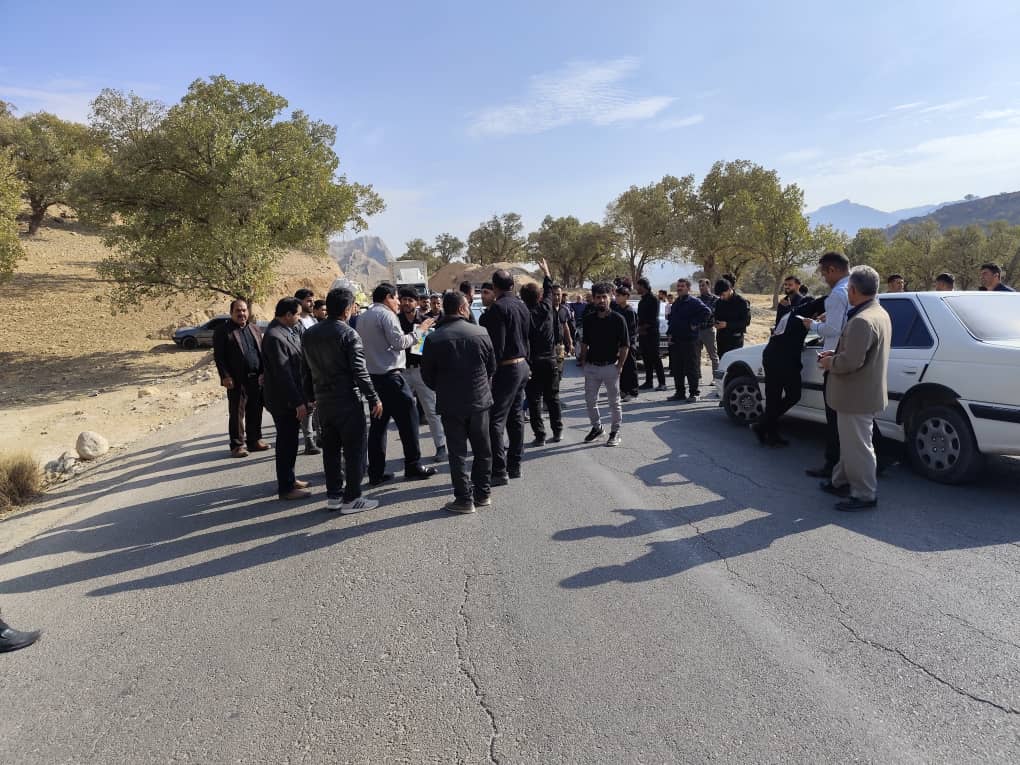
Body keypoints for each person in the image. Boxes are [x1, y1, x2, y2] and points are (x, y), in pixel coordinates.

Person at [818, 266, 891, 511]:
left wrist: (829, 362)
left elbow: (851, 362)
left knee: (858, 447)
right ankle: (840, 481)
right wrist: (836, 353)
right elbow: (860, 352)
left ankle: (864, 494)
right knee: (851, 443)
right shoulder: (878, 312)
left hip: (855, 396)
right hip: (863, 393)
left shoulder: (862, 320)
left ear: (853, 290)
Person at [302, 287, 382, 513]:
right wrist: (373, 397)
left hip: (323, 401)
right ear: (347, 309)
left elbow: (304, 370)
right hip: (347, 399)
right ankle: (353, 498)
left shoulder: (310, 334)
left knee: (331, 450)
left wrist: (309, 397)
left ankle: (334, 495)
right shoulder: (348, 334)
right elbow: (359, 370)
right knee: (355, 450)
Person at [421, 291, 496, 514]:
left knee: (457, 453)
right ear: (463, 308)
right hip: (479, 401)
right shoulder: (481, 332)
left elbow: (427, 375)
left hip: (451, 403)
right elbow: (491, 367)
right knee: (482, 450)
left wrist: (443, 388)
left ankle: (464, 499)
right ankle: (483, 493)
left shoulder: (433, 338)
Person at [357, 282, 438, 486]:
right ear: (387, 297)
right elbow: (399, 343)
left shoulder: (363, 317)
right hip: (391, 376)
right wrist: (420, 331)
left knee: (378, 427)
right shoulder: (387, 315)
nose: (399, 303)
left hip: (374, 377)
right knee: (409, 421)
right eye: (396, 298)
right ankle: (413, 465)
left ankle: (376, 472)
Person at [480, 269, 532, 484]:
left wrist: (489, 374)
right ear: (513, 285)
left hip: (507, 368)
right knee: (516, 417)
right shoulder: (522, 305)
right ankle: (515, 466)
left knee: (495, 421)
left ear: (494, 287)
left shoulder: (498, 308)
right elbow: (527, 338)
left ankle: (499, 470)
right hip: (522, 365)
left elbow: (496, 347)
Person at [752, 296, 826, 446]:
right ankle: (763, 425)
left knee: (773, 399)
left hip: (773, 355)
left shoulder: (793, 312)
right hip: (783, 359)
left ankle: (767, 431)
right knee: (793, 395)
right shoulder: (802, 318)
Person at [803, 251, 851, 477]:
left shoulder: (837, 294)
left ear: (832, 269)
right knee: (854, 416)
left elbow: (833, 330)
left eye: (824, 273)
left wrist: (812, 325)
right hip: (852, 357)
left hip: (836, 360)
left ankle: (832, 465)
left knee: (834, 416)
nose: (823, 278)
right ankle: (877, 458)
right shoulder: (857, 289)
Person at [261, 297, 312, 500]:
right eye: (297, 314)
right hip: (284, 401)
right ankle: (286, 488)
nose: (299, 318)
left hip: (289, 397)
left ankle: (290, 478)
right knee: (286, 443)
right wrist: (297, 402)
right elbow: (283, 375)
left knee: (290, 442)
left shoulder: (285, 331)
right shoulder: (274, 336)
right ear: (288, 315)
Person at [396, 287, 447, 462]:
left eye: (410, 300)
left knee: (431, 411)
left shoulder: (426, 321)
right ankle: (411, 452)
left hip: (421, 370)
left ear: (416, 302)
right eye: (403, 299)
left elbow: (433, 348)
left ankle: (441, 446)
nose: (406, 303)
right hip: (402, 371)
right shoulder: (395, 321)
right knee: (404, 413)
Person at [212, 299, 268, 458]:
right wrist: (225, 376)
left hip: (256, 378)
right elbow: (219, 357)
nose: (241, 313)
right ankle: (237, 446)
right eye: (238, 310)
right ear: (231, 313)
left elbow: (261, 352)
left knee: (255, 410)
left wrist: (264, 372)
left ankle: (254, 441)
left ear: (248, 312)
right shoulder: (223, 331)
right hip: (236, 380)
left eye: (244, 310)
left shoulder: (254, 328)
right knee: (237, 413)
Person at [578, 282, 630, 447]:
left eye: (604, 297)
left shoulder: (618, 319)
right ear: (593, 299)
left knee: (614, 403)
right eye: (598, 297)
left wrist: (619, 366)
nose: (601, 300)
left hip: (610, 367)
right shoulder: (589, 319)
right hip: (592, 367)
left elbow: (625, 345)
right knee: (590, 401)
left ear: (610, 297)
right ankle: (597, 428)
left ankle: (615, 432)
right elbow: (585, 343)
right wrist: (583, 362)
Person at [521, 259, 563, 445]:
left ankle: (540, 436)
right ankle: (558, 431)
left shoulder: (523, 314)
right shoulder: (546, 308)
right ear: (539, 297)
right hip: (550, 360)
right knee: (553, 398)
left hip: (531, 362)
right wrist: (547, 273)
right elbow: (548, 291)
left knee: (534, 400)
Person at [666, 278, 712, 402]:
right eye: (678, 286)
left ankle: (694, 393)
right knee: (677, 368)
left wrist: (695, 324)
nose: (679, 288)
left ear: (688, 288)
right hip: (676, 340)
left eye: (682, 286)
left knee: (691, 367)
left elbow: (707, 312)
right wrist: (670, 334)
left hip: (690, 340)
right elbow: (673, 320)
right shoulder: (676, 302)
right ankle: (680, 393)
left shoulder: (694, 302)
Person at [292, 289, 321, 456]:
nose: (312, 304)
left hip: (317, 367)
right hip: (304, 368)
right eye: (308, 301)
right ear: (299, 301)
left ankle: (320, 436)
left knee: (318, 404)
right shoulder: (297, 323)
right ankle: (309, 441)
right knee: (308, 406)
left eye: (312, 300)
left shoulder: (313, 319)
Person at [636, 277, 667, 391]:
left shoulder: (653, 299)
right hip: (642, 334)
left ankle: (662, 383)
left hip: (652, 333)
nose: (637, 288)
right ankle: (649, 382)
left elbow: (653, 318)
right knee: (646, 358)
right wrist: (639, 329)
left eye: (638, 286)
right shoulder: (642, 301)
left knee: (655, 358)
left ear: (643, 286)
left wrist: (643, 328)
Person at [611, 285, 641, 401]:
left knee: (630, 368)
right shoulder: (617, 309)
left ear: (626, 297)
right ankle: (623, 390)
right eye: (616, 295)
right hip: (618, 344)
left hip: (628, 344)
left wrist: (625, 343)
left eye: (619, 295)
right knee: (621, 368)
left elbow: (631, 331)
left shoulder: (629, 311)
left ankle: (633, 392)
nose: (616, 297)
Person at [712, 278, 751, 357]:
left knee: (733, 363)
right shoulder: (719, 302)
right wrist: (715, 323)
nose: (721, 297)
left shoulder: (742, 302)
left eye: (723, 295)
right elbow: (716, 316)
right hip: (721, 339)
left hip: (735, 340)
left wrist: (727, 324)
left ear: (729, 289)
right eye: (720, 296)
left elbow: (746, 322)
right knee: (723, 362)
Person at [695, 279, 720, 375]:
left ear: (708, 286)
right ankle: (697, 377)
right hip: (697, 330)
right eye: (700, 286)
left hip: (708, 330)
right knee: (696, 356)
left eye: (703, 285)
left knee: (713, 356)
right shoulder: (697, 300)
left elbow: (711, 313)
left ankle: (716, 377)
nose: (701, 288)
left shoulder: (715, 299)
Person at [552, 283, 575, 370]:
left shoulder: (564, 310)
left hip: (560, 347)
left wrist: (570, 343)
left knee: (559, 371)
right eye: (554, 294)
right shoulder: (546, 310)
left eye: (558, 294)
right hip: (548, 348)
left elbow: (565, 327)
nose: (556, 297)